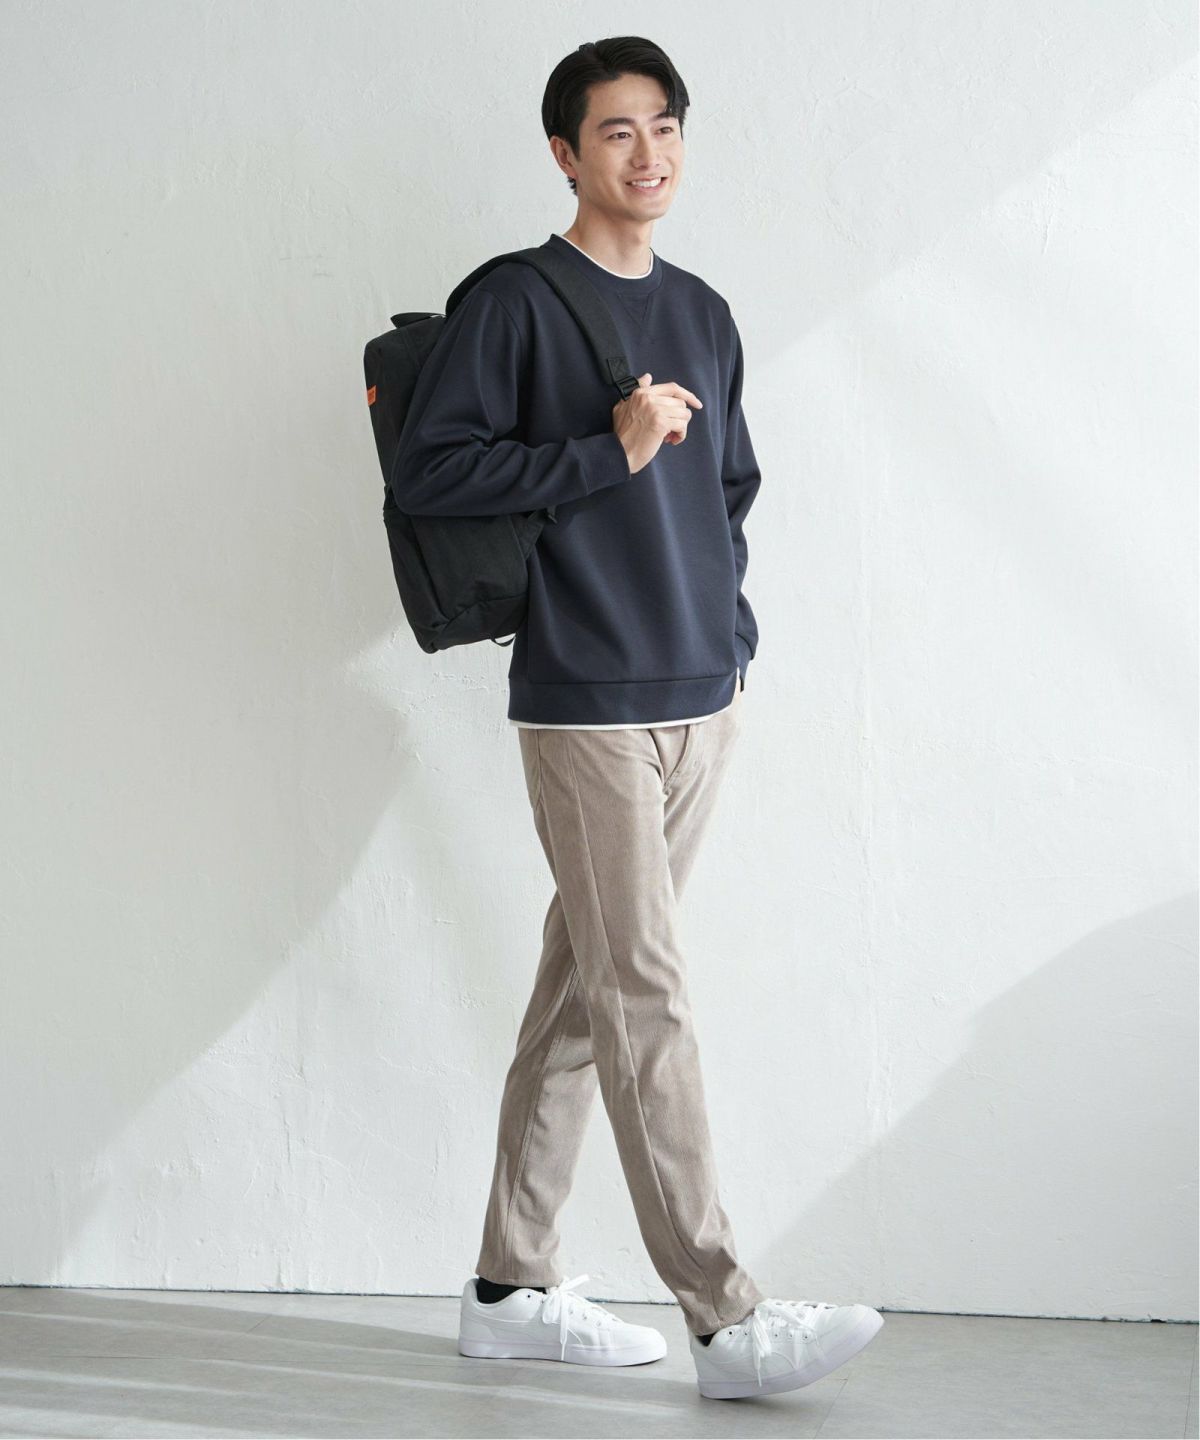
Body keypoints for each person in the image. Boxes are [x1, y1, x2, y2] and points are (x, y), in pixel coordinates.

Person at [394, 35, 884, 1401]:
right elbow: (431, 475)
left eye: (665, 125)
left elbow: (730, 490)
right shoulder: (515, 301)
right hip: (586, 703)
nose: (649, 152)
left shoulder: (705, 311)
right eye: (617, 131)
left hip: (698, 697)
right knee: (646, 994)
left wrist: (731, 640)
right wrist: (602, 448)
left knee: (585, 991)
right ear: (566, 153)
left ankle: (510, 1286)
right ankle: (727, 1317)